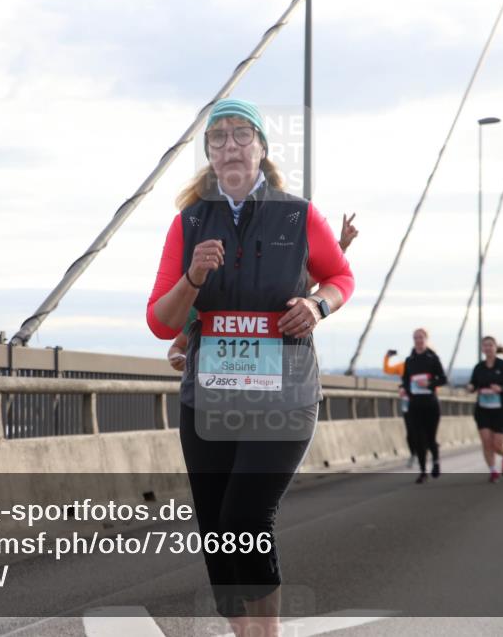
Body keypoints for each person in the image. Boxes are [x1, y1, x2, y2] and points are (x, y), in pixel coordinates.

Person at [146, 98, 354, 635]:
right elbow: (161, 322)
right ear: (209, 154)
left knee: (245, 519)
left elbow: (340, 277)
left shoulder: (299, 215)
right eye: (218, 138)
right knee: (217, 529)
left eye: (242, 135)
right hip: (209, 399)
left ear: (262, 147)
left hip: (284, 396)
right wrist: (192, 278)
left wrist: (318, 305)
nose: (230, 145)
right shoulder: (189, 223)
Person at [167, 212, 358, 371]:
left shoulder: (276, 292)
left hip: (274, 386)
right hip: (220, 388)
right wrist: (179, 358)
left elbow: (310, 279)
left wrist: (340, 247)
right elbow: (177, 347)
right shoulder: (205, 303)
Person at [466, 336, 503, 483]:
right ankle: (493, 471)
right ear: (482, 349)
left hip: (501, 411)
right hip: (483, 410)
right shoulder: (478, 367)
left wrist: (501, 388)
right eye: (485, 345)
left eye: (490, 345)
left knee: (497, 444)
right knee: (486, 442)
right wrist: (471, 387)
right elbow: (473, 384)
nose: (488, 348)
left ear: (495, 348)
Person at [400, 328, 448, 483]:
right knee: (418, 438)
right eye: (416, 338)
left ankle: (436, 461)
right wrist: (405, 389)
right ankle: (422, 471)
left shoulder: (432, 358)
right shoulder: (409, 360)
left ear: (426, 339)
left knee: (430, 437)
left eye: (421, 337)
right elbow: (405, 380)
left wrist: (429, 383)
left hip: (430, 404)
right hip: (415, 404)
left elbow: (443, 379)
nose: (418, 340)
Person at [382, 349, 417, 468]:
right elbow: (387, 370)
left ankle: (420, 451)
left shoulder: (423, 366)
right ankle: (414, 454)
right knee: (410, 429)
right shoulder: (403, 366)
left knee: (420, 428)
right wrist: (387, 357)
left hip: (421, 401)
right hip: (407, 400)